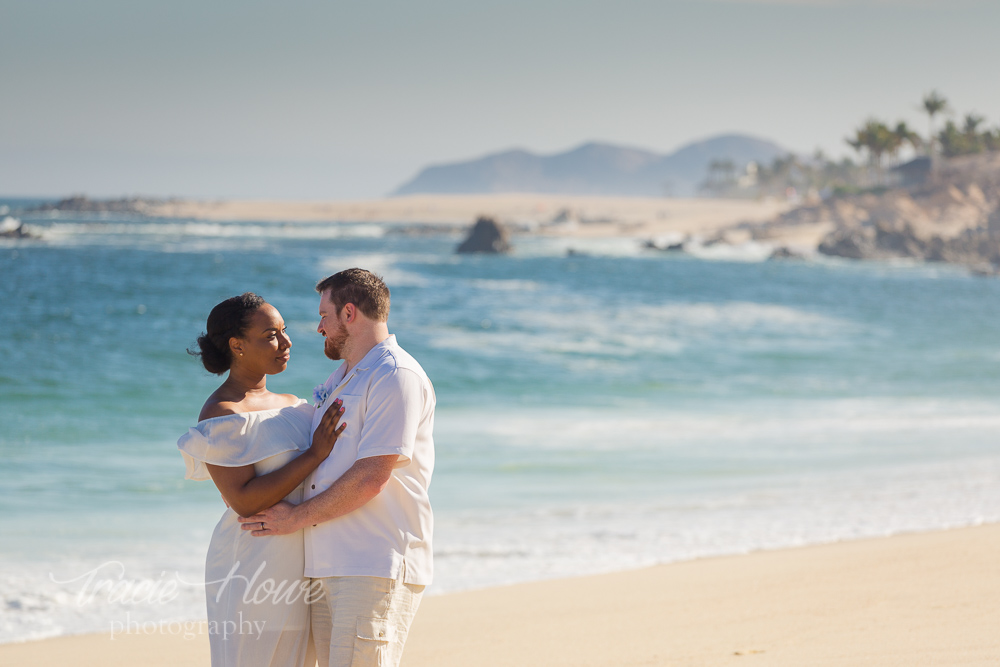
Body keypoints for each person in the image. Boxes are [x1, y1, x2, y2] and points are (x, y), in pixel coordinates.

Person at [238, 269, 435, 667]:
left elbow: (371, 477)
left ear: (349, 313)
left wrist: (296, 518)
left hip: (372, 563)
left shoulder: (394, 375)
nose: (318, 327)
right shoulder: (343, 377)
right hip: (329, 564)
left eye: (324, 315)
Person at [177, 292, 346, 667]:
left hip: (305, 561)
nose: (286, 343)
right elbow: (244, 501)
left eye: (284, 332)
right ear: (237, 345)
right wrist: (314, 454)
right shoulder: (222, 413)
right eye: (271, 335)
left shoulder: (294, 404)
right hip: (253, 563)